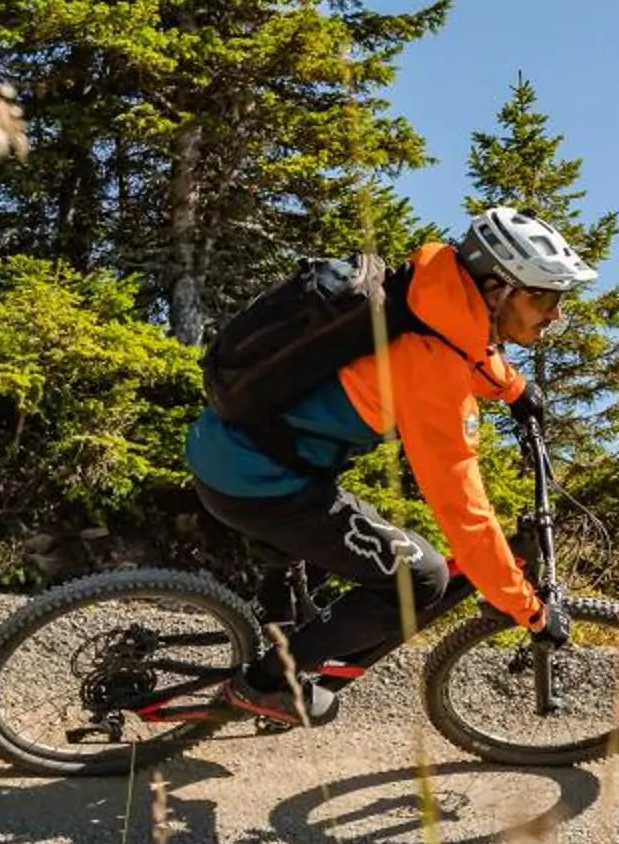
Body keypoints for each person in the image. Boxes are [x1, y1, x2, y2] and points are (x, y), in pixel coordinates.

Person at [186, 206, 592, 726]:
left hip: (234, 446)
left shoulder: (429, 295)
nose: (555, 315)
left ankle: (273, 628)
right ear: (498, 290)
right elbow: (465, 517)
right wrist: (529, 611)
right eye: (546, 298)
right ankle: (265, 685)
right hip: (259, 479)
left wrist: (513, 388)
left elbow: (466, 346)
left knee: (332, 573)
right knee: (418, 580)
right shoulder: (434, 370)